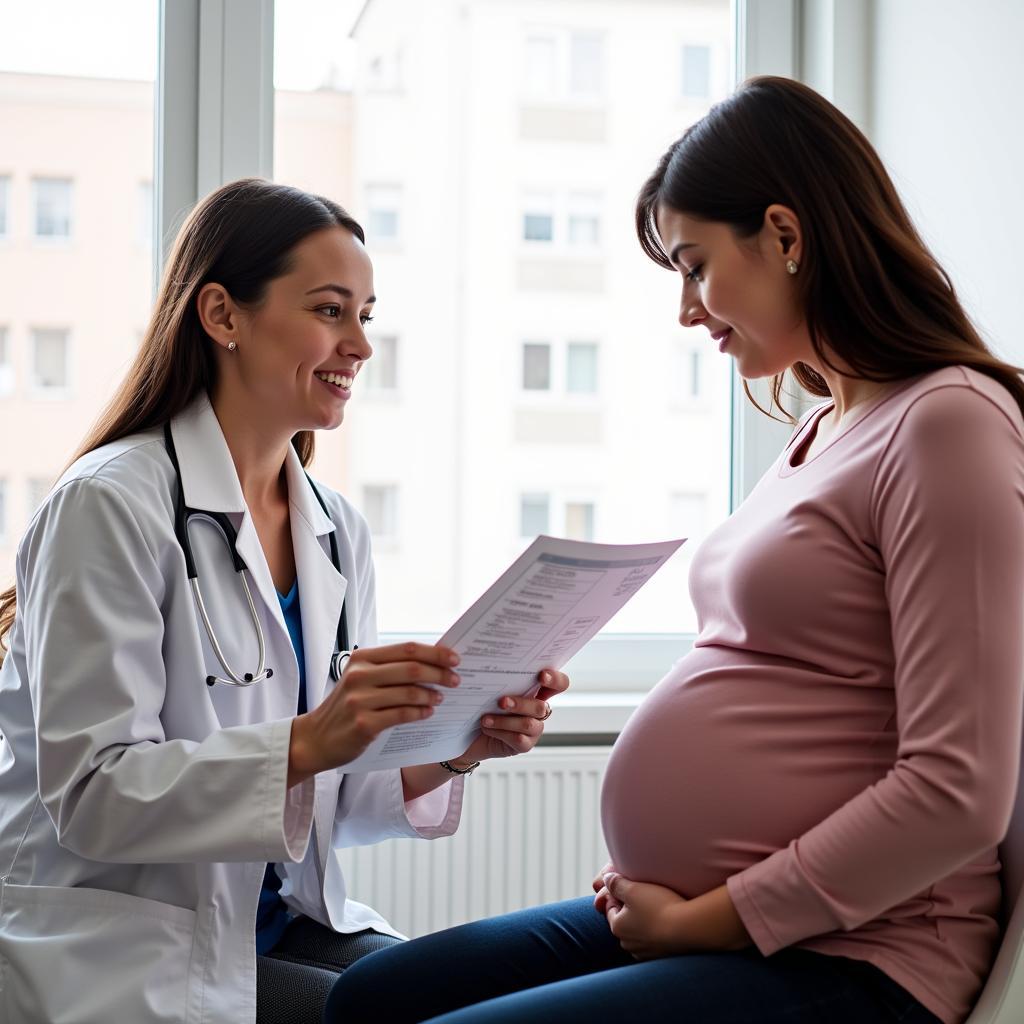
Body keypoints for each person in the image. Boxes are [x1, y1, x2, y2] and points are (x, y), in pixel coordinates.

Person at [323, 75, 1024, 1024]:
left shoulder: (948, 425)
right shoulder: (825, 430)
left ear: (785, 235)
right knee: (370, 999)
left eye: (695, 266)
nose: (688, 310)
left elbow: (958, 792)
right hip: (726, 918)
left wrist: (709, 919)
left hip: (868, 952)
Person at [0, 178, 569, 1024]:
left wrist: (458, 747)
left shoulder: (335, 530)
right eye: (330, 310)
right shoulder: (109, 504)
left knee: (486, 996)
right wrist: (313, 737)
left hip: (276, 922)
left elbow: (333, 797)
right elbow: (93, 796)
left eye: (366, 315)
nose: (361, 346)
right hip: (126, 940)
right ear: (224, 315)